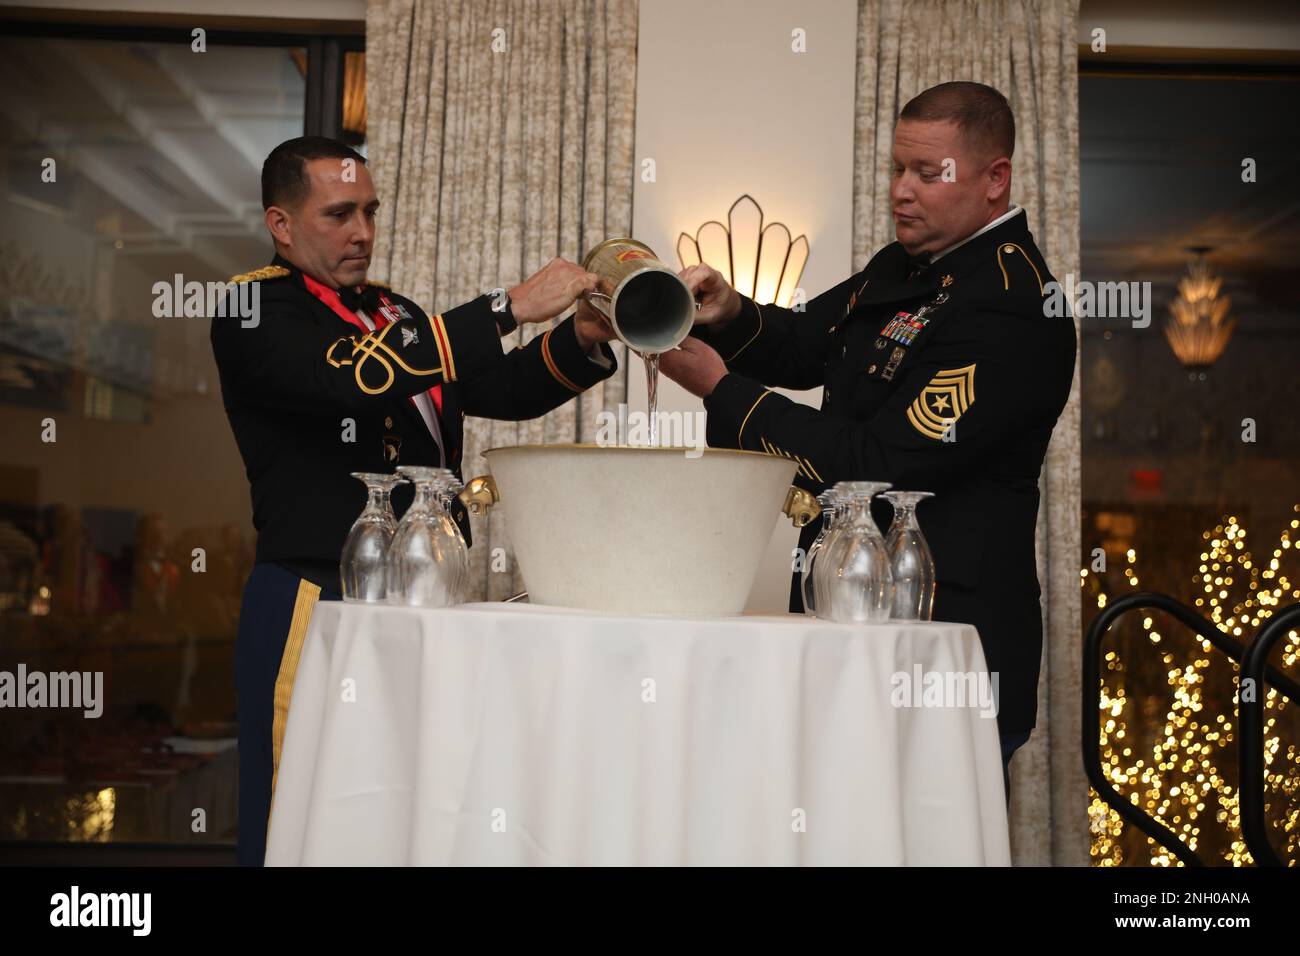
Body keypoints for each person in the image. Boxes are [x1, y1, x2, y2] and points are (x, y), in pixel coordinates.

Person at [659, 82, 1076, 798]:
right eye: (896, 169)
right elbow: (803, 346)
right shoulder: (905, 267)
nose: (901, 191)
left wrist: (721, 389)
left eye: (927, 173)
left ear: (994, 179)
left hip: (942, 640)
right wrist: (728, 313)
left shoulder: (1013, 305)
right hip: (854, 625)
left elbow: (876, 465)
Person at [211, 135, 618, 864]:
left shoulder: (395, 311)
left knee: (404, 799)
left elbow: (498, 391)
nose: (362, 232)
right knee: (294, 803)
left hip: (426, 600)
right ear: (280, 224)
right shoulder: (251, 307)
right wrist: (509, 305)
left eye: (369, 211)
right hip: (315, 597)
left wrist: (580, 338)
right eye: (339, 215)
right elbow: (348, 377)